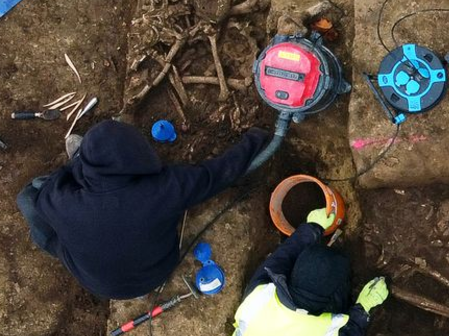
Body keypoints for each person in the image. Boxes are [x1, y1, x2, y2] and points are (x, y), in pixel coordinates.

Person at [16, 118, 269, 300]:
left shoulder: (61, 201)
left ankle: (53, 238)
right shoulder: (166, 189)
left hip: (97, 283)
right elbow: (216, 174)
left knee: (29, 195)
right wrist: (255, 139)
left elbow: (44, 191)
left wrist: (77, 167)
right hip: (157, 271)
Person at [228, 207, 388, 336]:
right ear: (331, 296)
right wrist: (363, 307)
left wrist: (312, 228)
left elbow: (280, 258)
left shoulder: (260, 294)